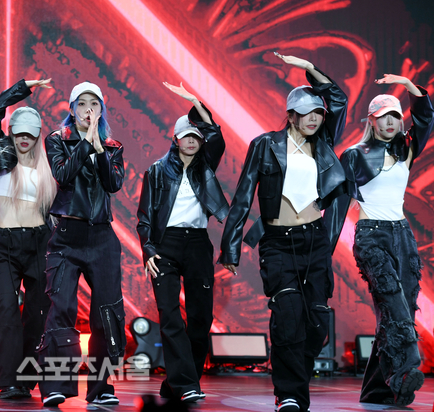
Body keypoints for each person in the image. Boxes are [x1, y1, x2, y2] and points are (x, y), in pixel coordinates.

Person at [219, 53, 347, 412]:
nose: (314, 118)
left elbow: (338, 99)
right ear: (291, 115)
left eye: (318, 112)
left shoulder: (323, 143)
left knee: (316, 323)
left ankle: (294, 387)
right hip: (278, 243)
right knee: (288, 318)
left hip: (315, 241)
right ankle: (289, 394)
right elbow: (243, 196)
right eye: (306, 113)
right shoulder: (265, 144)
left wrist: (310, 68)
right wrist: (230, 247)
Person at [328, 75, 433, 406]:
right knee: (394, 306)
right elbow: (337, 205)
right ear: (371, 121)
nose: (390, 122)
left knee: (400, 311)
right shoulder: (354, 155)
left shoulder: (406, 149)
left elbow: (426, 117)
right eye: (383, 116)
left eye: (395, 116)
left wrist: (407, 83)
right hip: (372, 237)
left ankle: (377, 389)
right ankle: (405, 372)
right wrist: (322, 255)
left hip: (403, 236)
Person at [136, 82, 229, 403]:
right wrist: (148, 249)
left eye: (196, 137)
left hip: (198, 244)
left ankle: (181, 381)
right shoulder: (157, 171)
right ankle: (186, 384)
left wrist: (195, 102)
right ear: (175, 139)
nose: (191, 141)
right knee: (170, 315)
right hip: (165, 245)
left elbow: (217, 136)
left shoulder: (206, 168)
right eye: (185, 136)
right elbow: (145, 216)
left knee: (201, 318)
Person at [37, 81, 126, 407]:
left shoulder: (112, 146)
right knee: (62, 309)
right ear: (72, 108)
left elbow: (113, 184)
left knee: (107, 313)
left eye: (95, 104)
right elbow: (63, 174)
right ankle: (56, 385)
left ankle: (101, 389)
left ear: (102, 110)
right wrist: (86, 143)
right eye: (83, 104)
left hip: (102, 237)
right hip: (67, 236)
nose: (89, 110)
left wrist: (99, 149)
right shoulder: (57, 139)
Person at [0, 78, 57, 399]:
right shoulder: (0, 154)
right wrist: (24, 87)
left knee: (38, 313)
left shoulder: (48, 167)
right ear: (11, 132)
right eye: (19, 133)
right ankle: (6, 381)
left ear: (38, 135)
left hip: (40, 242)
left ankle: (27, 378)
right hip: (5, 243)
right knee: (6, 310)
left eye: (30, 133)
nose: (24, 139)